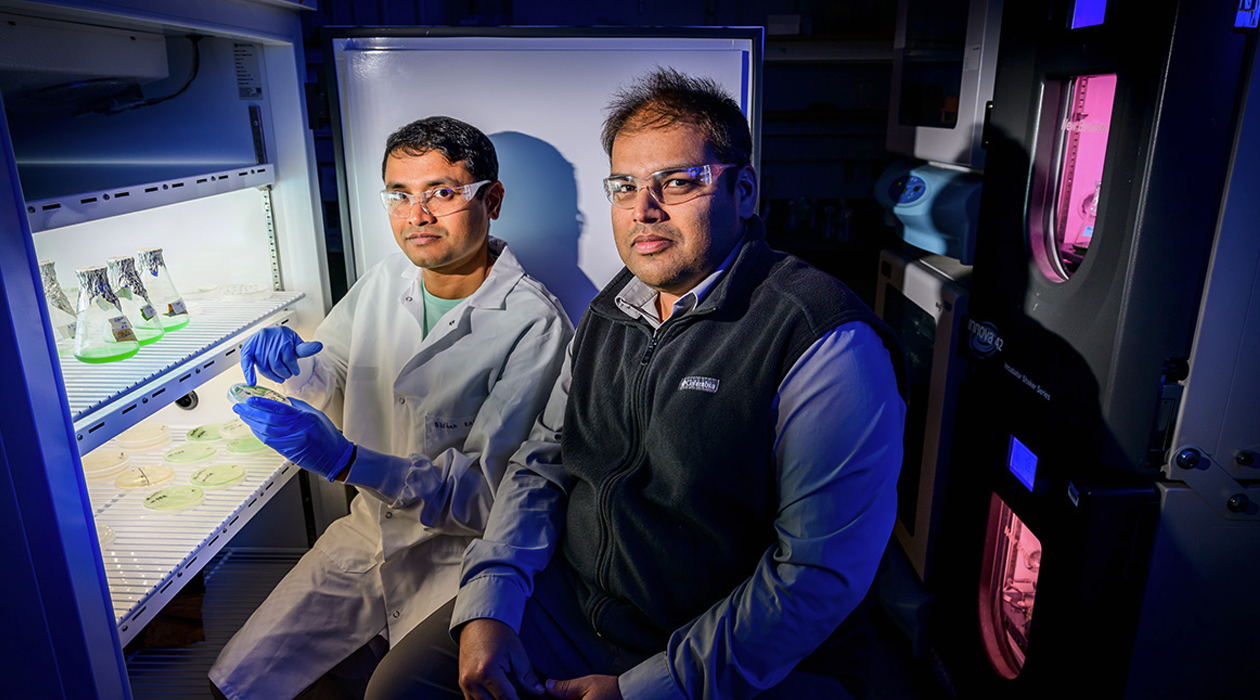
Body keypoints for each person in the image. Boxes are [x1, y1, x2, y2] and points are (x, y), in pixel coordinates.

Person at [365, 69, 906, 700]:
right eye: (625, 187)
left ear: (744, 191)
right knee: (400, 688)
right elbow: (542, 465)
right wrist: (491, 599)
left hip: (741, 646)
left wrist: (648, 689)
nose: (644, 209)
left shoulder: (819, 337)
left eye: (677, 182)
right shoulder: (612, 310)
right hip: (583, 606)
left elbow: (816, 576)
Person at [208, 116, 573, 700]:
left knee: (395, 689)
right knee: (240, 682)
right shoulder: (386, 281)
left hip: (457, 559)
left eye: (442, 193)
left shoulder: (536, 324)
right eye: (400, 195)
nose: (416, 215)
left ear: (493, 199)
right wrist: (293, 368)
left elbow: (490, 499)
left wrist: (349, 461)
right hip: (366, 532)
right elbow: (336, 370)